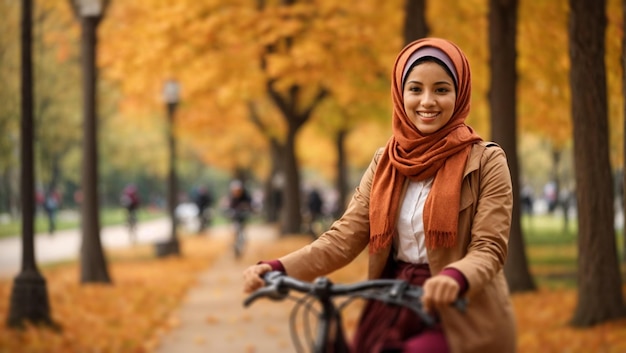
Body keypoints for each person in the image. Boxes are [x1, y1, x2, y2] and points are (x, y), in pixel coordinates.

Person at [242, 37, 516, 353]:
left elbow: (489, 247)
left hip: (461, 310)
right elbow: (343, 238)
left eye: (441, 89)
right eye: (415, 89)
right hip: (391, 301)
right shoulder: (386, 161)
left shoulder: (486, 161)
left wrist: (454, 277)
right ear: (400, 96)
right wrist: (276, 268)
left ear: (460, 94)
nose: (427, 101)